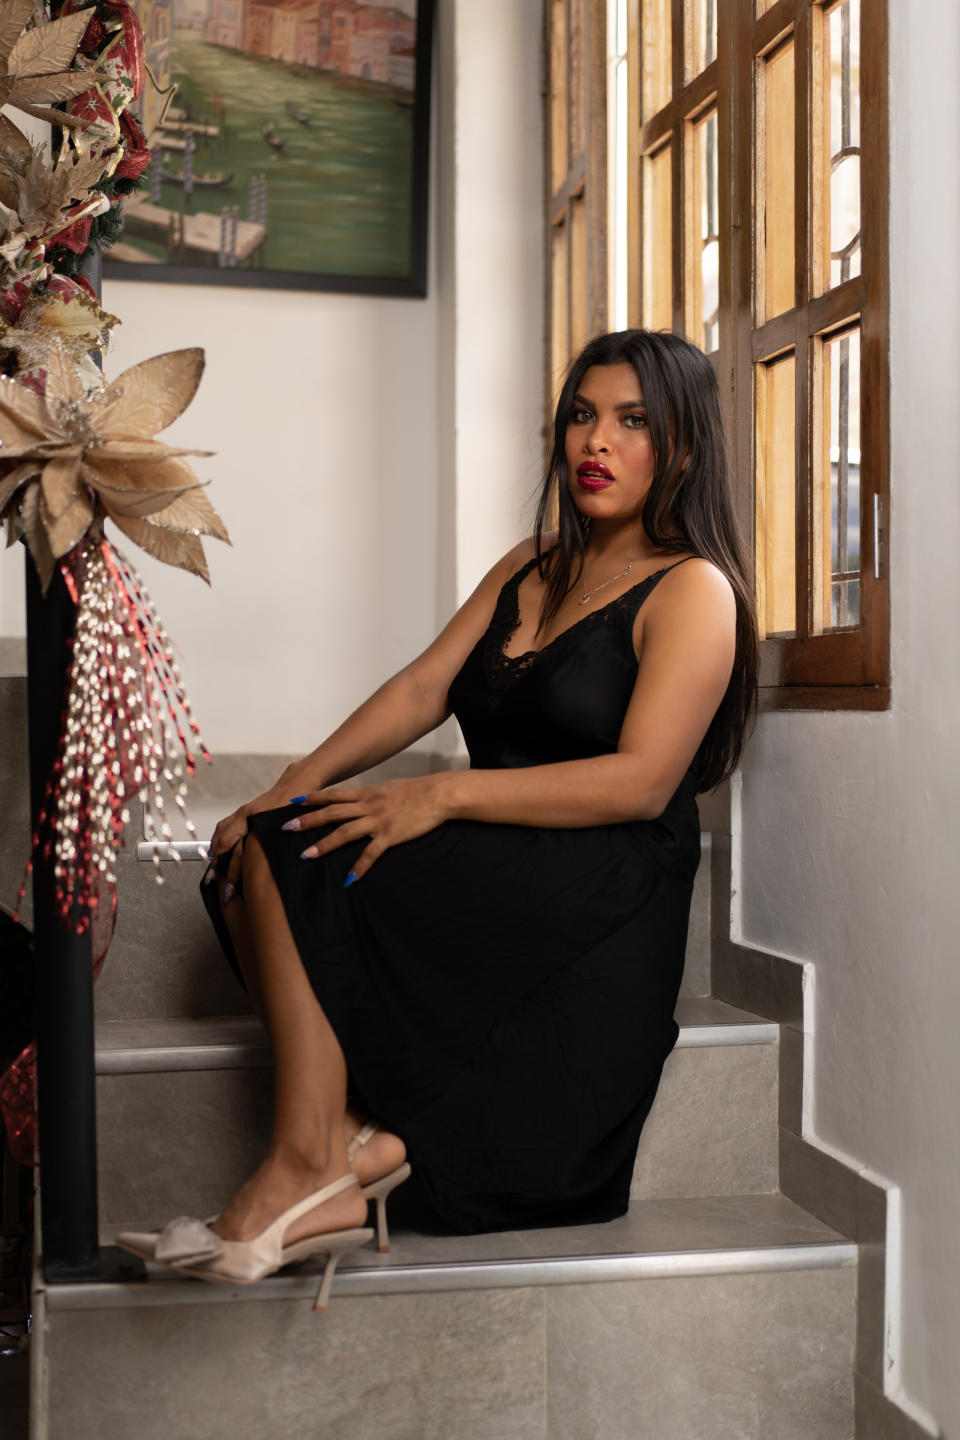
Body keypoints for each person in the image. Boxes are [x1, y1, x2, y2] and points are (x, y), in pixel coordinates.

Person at [118, 328, 758, 1312]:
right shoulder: (530, 564)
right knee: (260, 846)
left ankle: (309, 1166)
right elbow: (425, 687)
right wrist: (289, 784)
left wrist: (439, 793)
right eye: (583, 415)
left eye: (633, 421)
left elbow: (640, 782)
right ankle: (333, 1150)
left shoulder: (694, 588)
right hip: (503, 855)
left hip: (606, 880)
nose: (597, 441)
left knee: (297, 857)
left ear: (682, 445)